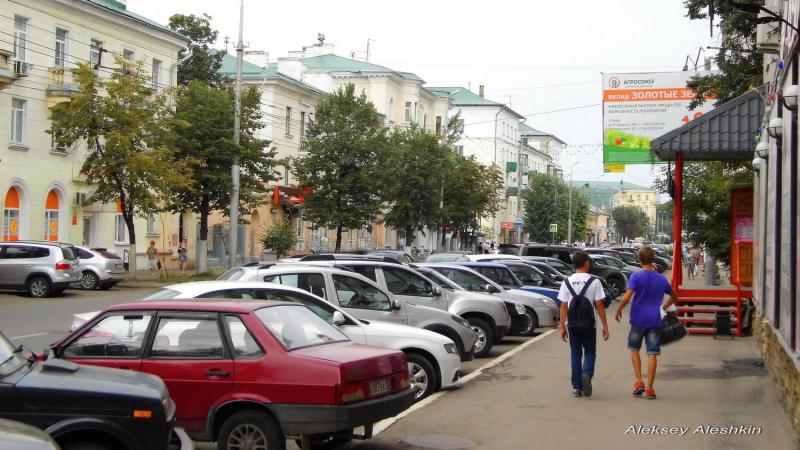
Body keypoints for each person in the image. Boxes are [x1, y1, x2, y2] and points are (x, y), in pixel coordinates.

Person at [614, 246, 678, 400]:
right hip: (655, 320)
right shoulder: (661, 279)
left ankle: (639, 382)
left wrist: (619, 309)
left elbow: (627, 297)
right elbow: (674, 296)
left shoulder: (636, 277)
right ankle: (650, 389)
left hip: (637, 319)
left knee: (634, 349)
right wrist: (664, 306)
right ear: (653, 259)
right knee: (652, 353)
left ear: (639, 260)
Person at [559, 251, 610, 398]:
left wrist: (563, 327)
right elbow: (600, 304)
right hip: (589, 324)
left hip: (573, 324)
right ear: (586, 263)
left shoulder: (566, 282)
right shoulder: (595, 281)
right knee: (590, 351)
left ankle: (577, 387)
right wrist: (605, 327)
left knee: (575, 354)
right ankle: (586, 373)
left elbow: (563, 306)